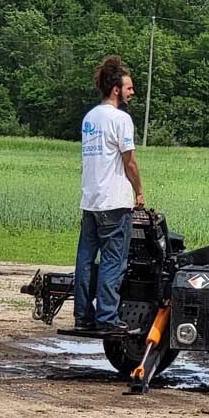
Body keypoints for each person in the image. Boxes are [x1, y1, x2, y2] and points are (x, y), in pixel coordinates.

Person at [73, 55, 145, 333]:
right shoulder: (120, 119)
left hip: (90, 201)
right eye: (129, 88)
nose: (132, 92)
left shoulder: (90, 117)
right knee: (113, 261)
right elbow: (130, 162)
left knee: (85, 260)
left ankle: (83, 316)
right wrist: (139, 192)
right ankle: (107, 318)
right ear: (116, 89)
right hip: (114, 201)